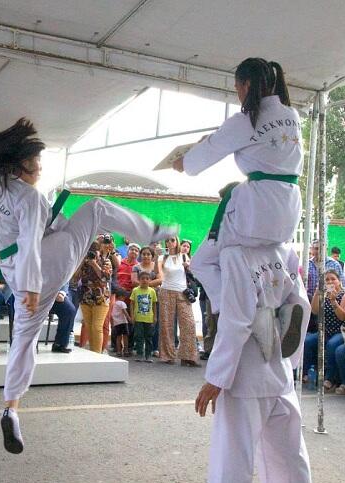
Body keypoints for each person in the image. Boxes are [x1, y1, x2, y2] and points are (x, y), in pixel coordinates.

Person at [0, 118, 176, 454]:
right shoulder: (29, 197)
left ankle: (10, 408)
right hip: (39, 267)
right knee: (97, 208)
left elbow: (40, 229)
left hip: (17, 271)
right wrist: (30, 286)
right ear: (23, 165)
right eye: (37, 161)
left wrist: (26, 287)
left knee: (23, 341)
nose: (41, 168)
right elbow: (31, 240)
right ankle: (151, 232)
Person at [172, 57, 311, 402]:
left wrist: (182, 163)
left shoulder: (245, 120)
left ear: (246, 84)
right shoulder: (292, 117)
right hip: (288, 208)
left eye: (236, 87)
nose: (236, 94)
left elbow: (202, 158)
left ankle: (244, 315)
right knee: (278, 262)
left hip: (253, 209)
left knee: (207, 262)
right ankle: (288, 305)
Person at [179, 243, 314, 483]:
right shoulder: (285, 250)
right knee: (289, 459)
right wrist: (289, 362)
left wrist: (217, 376)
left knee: (231, 467)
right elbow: (300, 307)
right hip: (278, 367)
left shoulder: (234, 253)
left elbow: (236, 315)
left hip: (244, 371)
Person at [304, 270, 345, 392]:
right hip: (324, 331)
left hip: (341, 331)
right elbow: (315, 311)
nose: (330, 282)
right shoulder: (322, 295)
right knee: (307, 341)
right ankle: (309, 372)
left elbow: (343, 317)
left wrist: (333, 301)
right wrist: (317, 292)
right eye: (327, 280)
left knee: (332, 344)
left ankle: (330, 378)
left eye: (333, 279)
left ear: (339, 281)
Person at [158, 236, 200, 367]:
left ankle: (188, 356)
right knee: (166, 324)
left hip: (182, 292)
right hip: (166, 291)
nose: (170, 242)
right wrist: (156, 257)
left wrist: (188, 267)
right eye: (168, 241)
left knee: (189, 323)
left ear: (177, 242)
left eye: (172, 240)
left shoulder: (184, 256)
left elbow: (193, 273)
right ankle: (167, 355)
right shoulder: (162, 257)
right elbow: (159, 273)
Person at [130, 271, 157, 362]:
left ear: (150, 280)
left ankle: (148, 355)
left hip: (149, 319)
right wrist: (132, 316)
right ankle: (139, 354)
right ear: (139, 280)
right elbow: (132, 303)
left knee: (148, 337)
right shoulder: (135, 290)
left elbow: (154, 305)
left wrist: (155, 317)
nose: (144, 280)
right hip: (138, 318)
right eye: (142, 279)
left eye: (147, 278)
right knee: (139, 336)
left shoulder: (152, 291)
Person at [110, 287, 132, 357]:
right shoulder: (122, 303)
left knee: (118, 337)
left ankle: (119, 351)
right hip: (123, 322)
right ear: (121, 296)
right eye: (124, 296)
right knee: (125, 336)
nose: (125, 298)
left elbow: (112, 314)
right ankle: (126, 351)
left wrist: (112, 323)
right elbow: (125, 312)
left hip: (117, 323)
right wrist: (129, 319)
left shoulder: (115, 304)